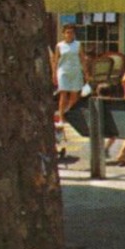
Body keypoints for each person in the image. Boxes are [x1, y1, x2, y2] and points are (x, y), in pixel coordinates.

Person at [49, 24, 90, 154]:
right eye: (67, 32)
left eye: (71, 32)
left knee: (75, 94)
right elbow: (56, 60)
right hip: (63, 71)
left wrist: (86, 73)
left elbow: (82, 59)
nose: (69, 34)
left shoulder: (78, 45)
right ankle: (61, 116)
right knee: (63, 94)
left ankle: (68, 112)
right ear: (63, 34)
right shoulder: (59, 45)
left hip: (75, 70)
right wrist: (54, 74)